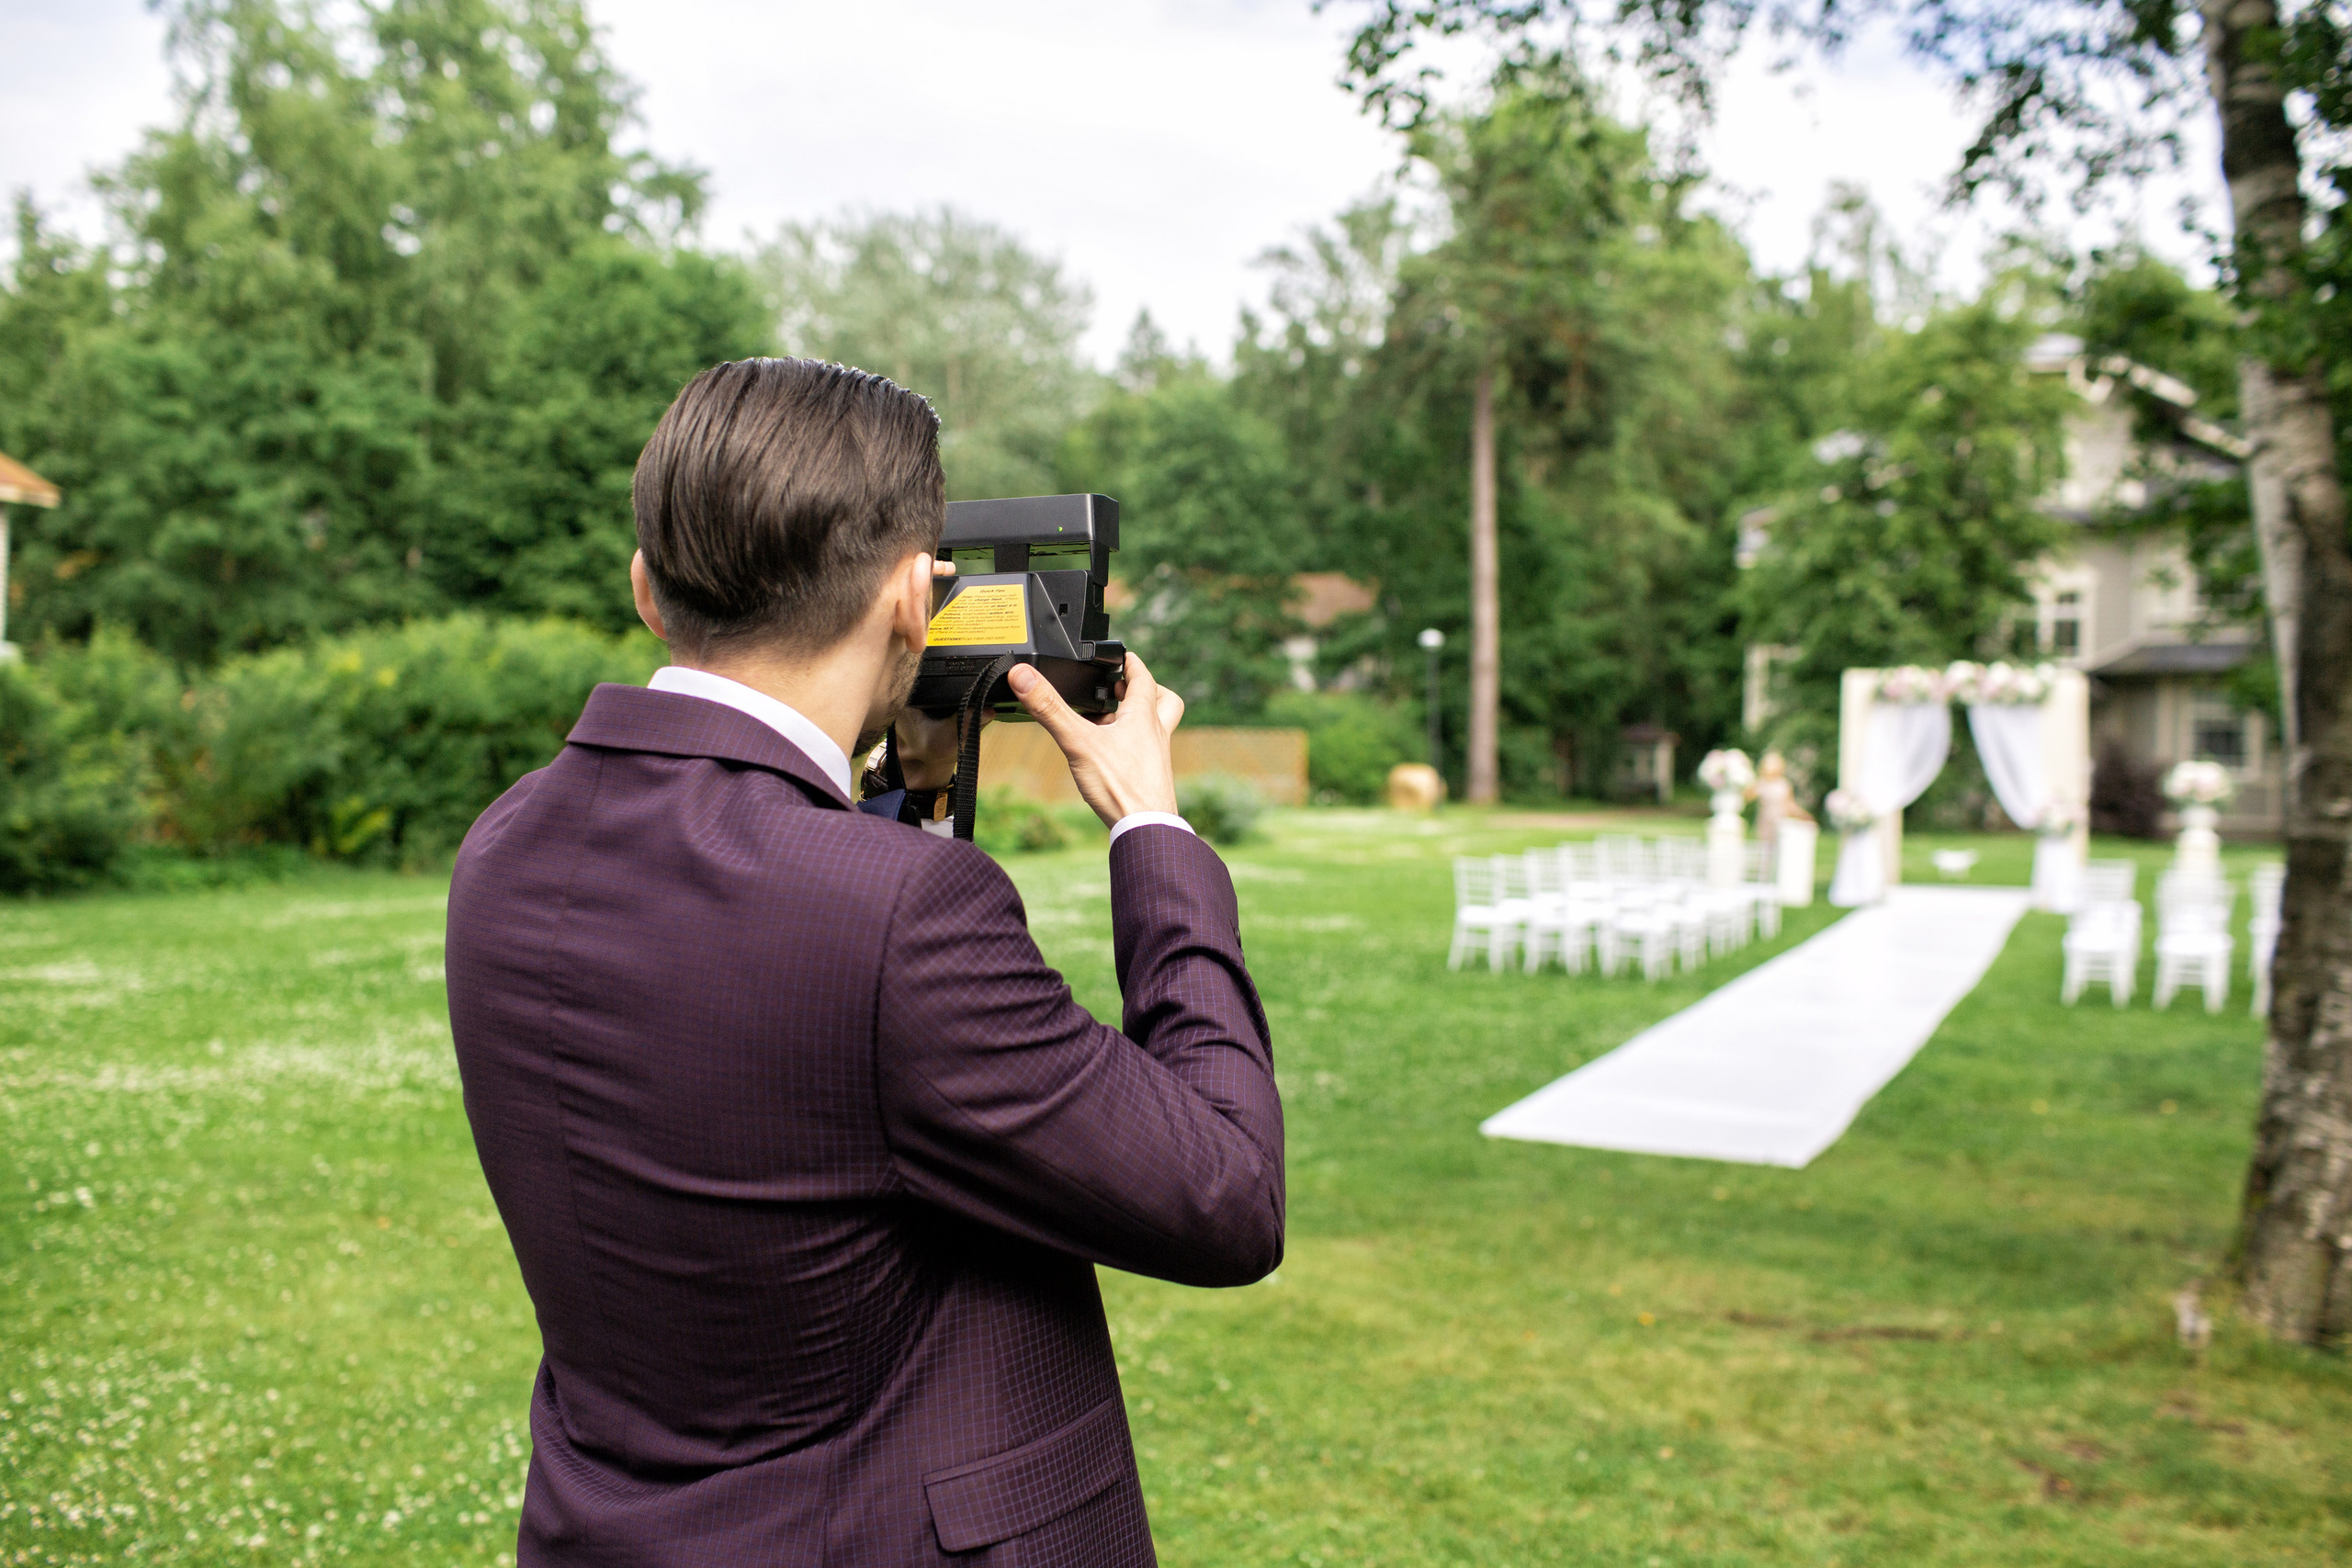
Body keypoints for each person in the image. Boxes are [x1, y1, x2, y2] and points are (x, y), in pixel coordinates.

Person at [445, 357, 1283, 1567]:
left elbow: (801, 1027)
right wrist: (1154, 829)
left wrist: (909, 778)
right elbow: (1227, 1193)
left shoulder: (508, 845)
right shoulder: (902, 919)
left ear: (646, 588)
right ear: (913, 596)